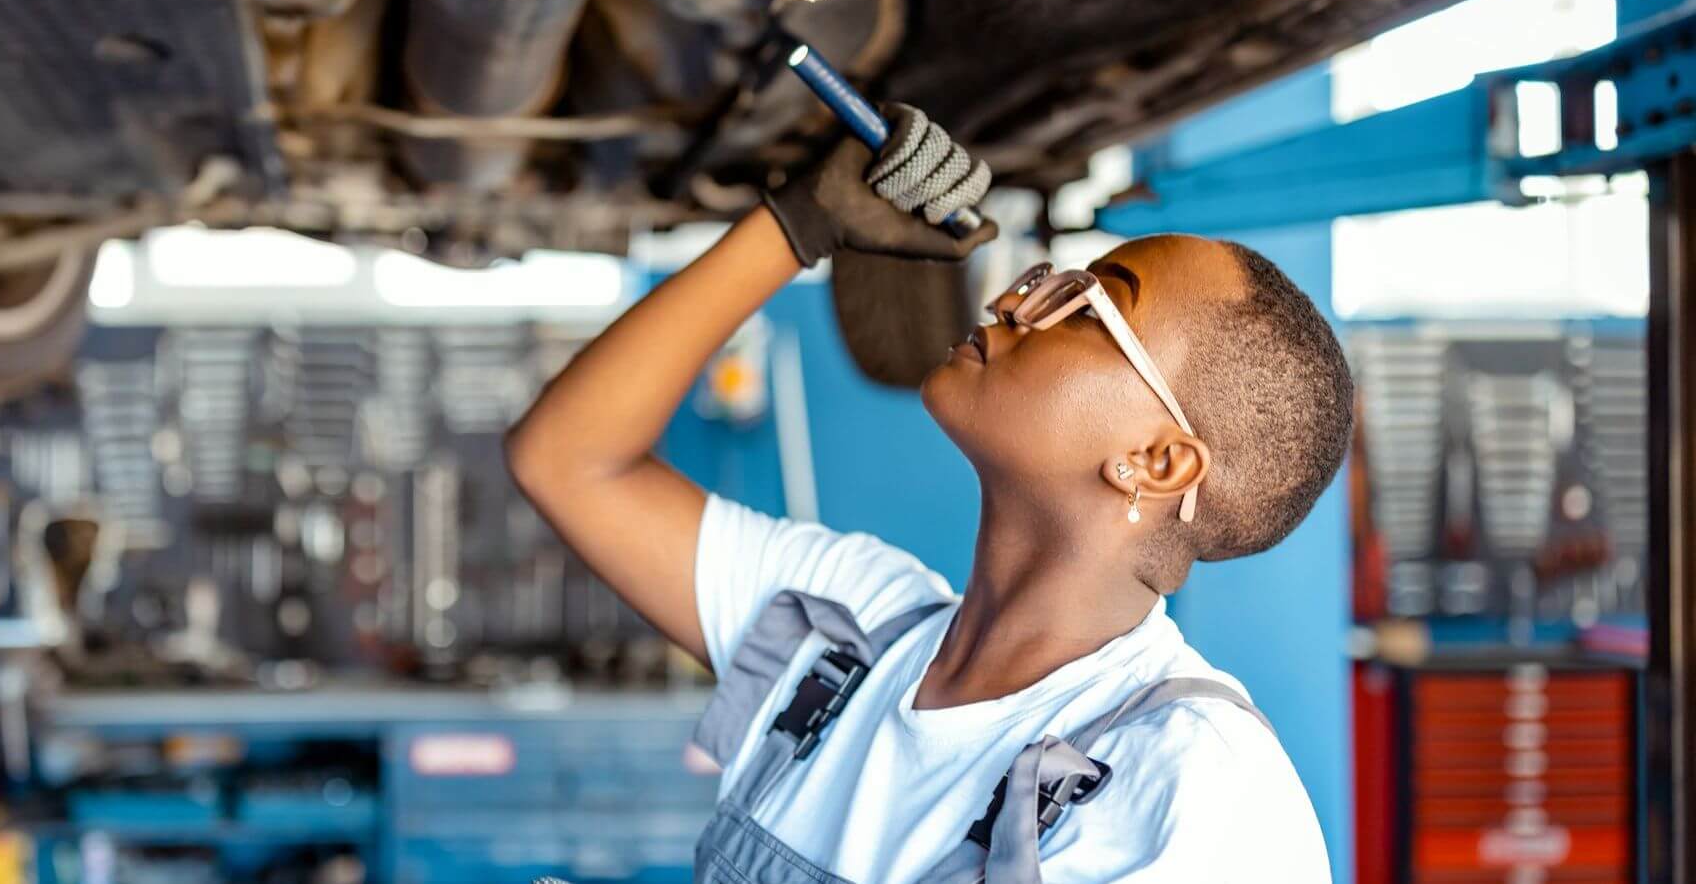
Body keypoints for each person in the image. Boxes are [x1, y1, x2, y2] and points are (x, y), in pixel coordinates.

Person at [506, 106, 1353, 883]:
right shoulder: (855, 625)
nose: (1015, 299)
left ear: (1158, 460)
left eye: (1084, 306)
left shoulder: (1195, 791)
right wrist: (798, 226)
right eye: (1050, 277)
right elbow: (570, 459)